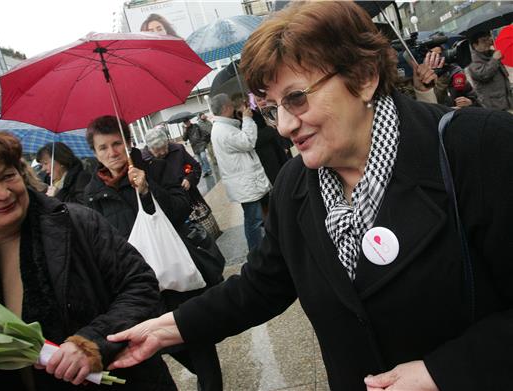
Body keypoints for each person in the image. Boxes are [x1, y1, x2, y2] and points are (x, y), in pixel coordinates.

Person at [105, 3, 513, 391]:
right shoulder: (295, 183)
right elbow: (261, 286)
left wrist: (445, 372)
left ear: (365, 76)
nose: (283, 125)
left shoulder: (479, 149)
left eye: (297, 98)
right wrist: (166, 328)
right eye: (271, 107)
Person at [0, 127, 176, 390]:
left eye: (8, 176)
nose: (3, 193)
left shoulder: (77, 224)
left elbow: (140, 286)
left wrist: (90, 343)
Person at [83, 117, 223, 391]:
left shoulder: (154, 169)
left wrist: (148, 190)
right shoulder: (91, 194)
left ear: (129, 143)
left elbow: (182, 208)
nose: (112, 153)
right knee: (168, 345)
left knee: (199, 343)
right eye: (103, 148)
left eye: (117, 144)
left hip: (176, 274)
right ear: (94, 153)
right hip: (141, 288)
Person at [207, 93, 271, 250]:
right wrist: (248, 119)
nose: (233, 106)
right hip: (245, 183)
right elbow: (248, 142)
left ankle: (262, 247)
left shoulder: (224, 127)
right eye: (231, 104)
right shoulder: (223, 130)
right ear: (226, 107)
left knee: (256, 217)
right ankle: (256, 251)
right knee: (253, 220)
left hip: (244, 182)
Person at [467, 31, 512, 111]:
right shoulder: (472, 60)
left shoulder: (492, 54)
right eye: (483, 41)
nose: (488, 42)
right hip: (493, 105)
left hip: (506, 100)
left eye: (488, 39)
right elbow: (483, 75)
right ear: (475, 45)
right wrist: (494, 60)